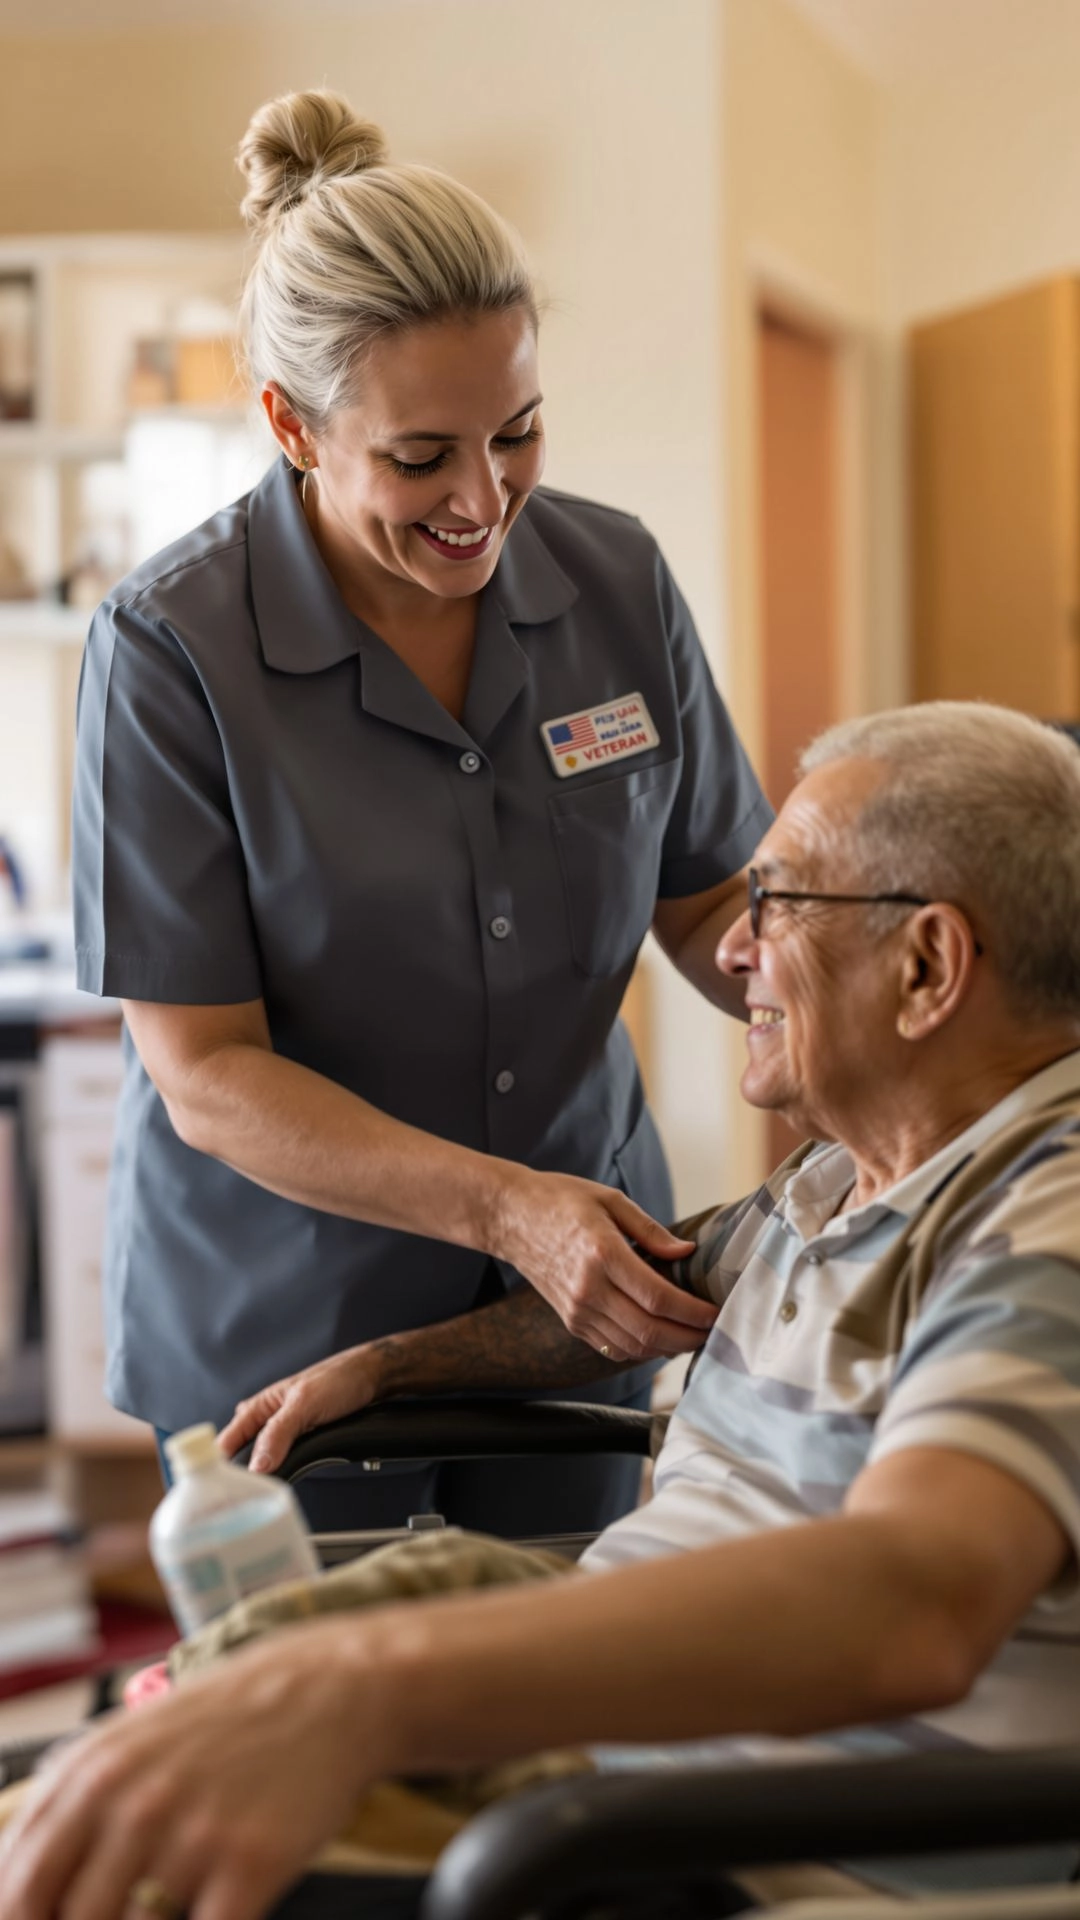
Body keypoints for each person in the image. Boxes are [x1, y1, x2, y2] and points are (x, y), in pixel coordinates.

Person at [8, 700, 1080, 1920]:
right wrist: (390, 1367)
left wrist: (366, 1689)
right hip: (606, 1774)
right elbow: (635, 1289)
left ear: (927, 966)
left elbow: (919, 1602)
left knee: (89, 1869)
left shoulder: (1044, 1220)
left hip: (732, 1843)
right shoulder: (843, 1175)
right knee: (67, 1794)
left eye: (778, 903)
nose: (734, 950)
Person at [71, 89, 771, 1531]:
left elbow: (710, 901)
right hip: (285, 1331)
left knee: (569, 1662)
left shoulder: (618, 586)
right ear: (291, 423)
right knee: (331, 1678)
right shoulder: (170, 650)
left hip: (576, 1311)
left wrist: (873, 1016)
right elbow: (206, 1069)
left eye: (519, 432)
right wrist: (506, 1205)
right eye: (419, 456)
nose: (484, 498)